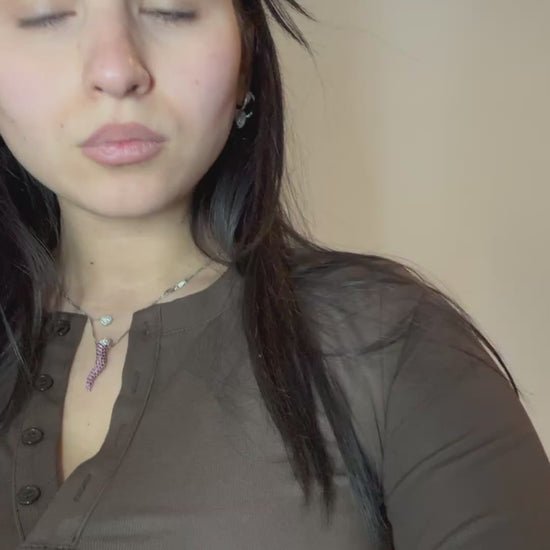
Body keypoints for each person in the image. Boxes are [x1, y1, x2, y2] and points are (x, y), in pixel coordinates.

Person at [0, 1, 548, 549]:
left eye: (171, 7)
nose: (116, 70)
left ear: (246, 57)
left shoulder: (390, 346)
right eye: (46, 12)